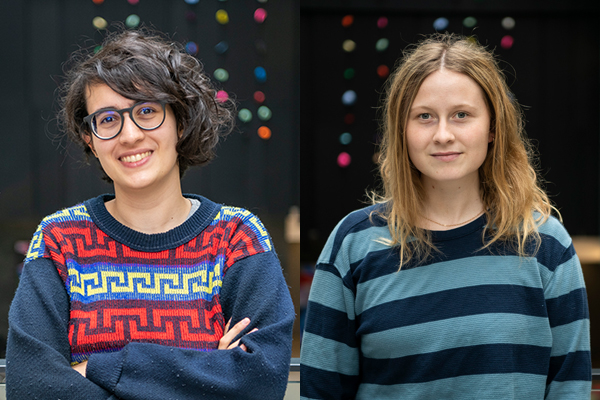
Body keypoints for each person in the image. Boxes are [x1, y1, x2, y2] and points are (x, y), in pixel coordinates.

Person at [7, 28, 294, 400]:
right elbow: (31, 387)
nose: (129, 135)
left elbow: (260, 380)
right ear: (90, 139)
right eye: (107, 119)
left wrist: (99, 368)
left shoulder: (238, 237)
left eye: (146, 111)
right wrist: (208, 375)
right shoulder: (58, 240)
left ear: (181, 120)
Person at [300, 33, 591, 399]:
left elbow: (570, 388)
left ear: (493, 128)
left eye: (461, 115)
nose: (442, 135)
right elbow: (321, 390)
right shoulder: (353, 244)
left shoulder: (545, 244)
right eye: (424, 117)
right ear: (401, 131)